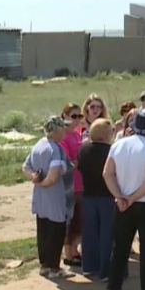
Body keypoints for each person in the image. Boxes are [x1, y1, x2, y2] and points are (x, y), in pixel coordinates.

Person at [103, 109, 145, 290]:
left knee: (120, 246)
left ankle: (114, 286)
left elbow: (107, 173)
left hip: (121, 203)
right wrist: (133, 197)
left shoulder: (118, 146)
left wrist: (119, 196)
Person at [21, 116, 76, 280]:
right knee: (56, 232)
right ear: (57, 130)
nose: (65, 132)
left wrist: (34, 178)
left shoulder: (39, 144)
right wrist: (44, 183)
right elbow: (53, 177)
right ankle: (54, 268)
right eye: (63, 128)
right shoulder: (55, 149)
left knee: (43, 230)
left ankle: (44, 265)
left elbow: (25, 167)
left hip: (40, 198)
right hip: (55, 196)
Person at [78, 119, 115, 280]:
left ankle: (89, 266)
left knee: (89, 232)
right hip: (107, 196)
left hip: (88, 194)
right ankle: (105, 269)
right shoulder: (111, 151)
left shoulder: (83, 149)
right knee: (107, 233)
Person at [59, 103, 84, 267]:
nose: (77, 120)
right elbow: (67, 163)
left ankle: (75, 250)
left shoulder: (76, 134)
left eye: (79, 116)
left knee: (78, 220)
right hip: (69, 184)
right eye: (73, 116)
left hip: (80, 183)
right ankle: (68, 252)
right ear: (64, 117)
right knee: (68, 220)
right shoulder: (62, 137)